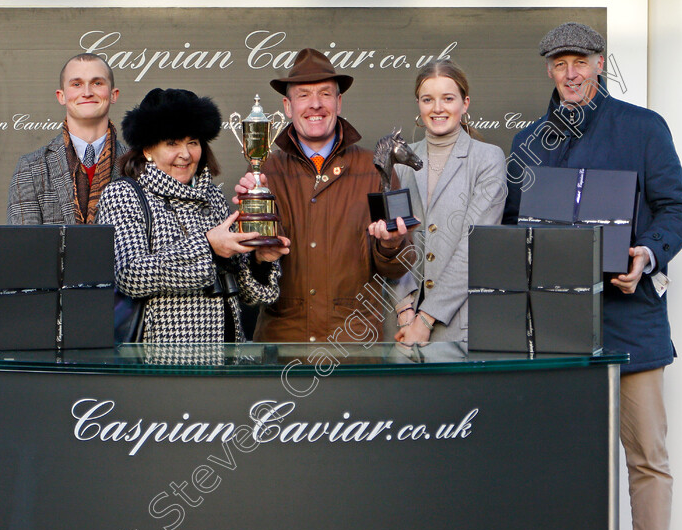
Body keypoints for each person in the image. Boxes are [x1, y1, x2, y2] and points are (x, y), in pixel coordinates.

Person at [502, 23, 682, 530]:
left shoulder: (644, 127)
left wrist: (646, 252)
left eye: (581, 62)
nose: (571, 73)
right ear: (549, 68)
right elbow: (515, 226)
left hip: (632, 318)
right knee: (560, 458)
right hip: (556, 325)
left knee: (647, 459)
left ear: (599, 64)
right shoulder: (526, 144)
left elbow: (681, 208)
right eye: (560, 63)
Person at [235, 48, 415, 343]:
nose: (315, 104)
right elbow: (251, 276)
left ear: (339, 102)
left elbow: (398, 269)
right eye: (304, 95)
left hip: (354, 348)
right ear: (287, 106)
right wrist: (255, 246)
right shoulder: (265, 170)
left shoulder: (374, 169)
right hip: (283, 346)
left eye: (325, 94)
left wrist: (392, 244)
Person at [96, 88, 289, 343]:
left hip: (226, 354)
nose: (185, 154)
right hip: (164, 359)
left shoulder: (213, 197)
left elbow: (252, 296)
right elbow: (129, 275)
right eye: (172, 143)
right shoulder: (123, 194)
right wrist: (208, 246)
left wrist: (260, 261)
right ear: (148, 150)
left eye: (193, 142)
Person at [393, 60, 506, 345]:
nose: (438, 108)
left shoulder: (488, 159)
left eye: (448, 98)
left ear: (465, 103)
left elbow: (474, 247)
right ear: (418, 104)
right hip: (402, 329)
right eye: (428, 99)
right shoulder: (400, 163)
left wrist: (426, 318)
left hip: (461, 327)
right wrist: (405, 309)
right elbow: (392, 243)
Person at [8, 53, 127, 224]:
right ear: (61, 96)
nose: (87, 92)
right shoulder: (31, 167)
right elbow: (23, 246)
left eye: (97, 83)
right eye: (76, 84)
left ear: (114, 94)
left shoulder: (139, 166)